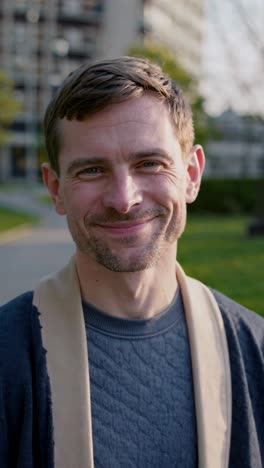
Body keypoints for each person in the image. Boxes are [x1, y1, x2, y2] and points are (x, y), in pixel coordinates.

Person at [0, 57, 263, 468]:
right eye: (92, 170)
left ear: (191, 174)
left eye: (149, 163)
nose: (124, 199)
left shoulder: (254, 349)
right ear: (56, 189)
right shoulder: (7, 356)